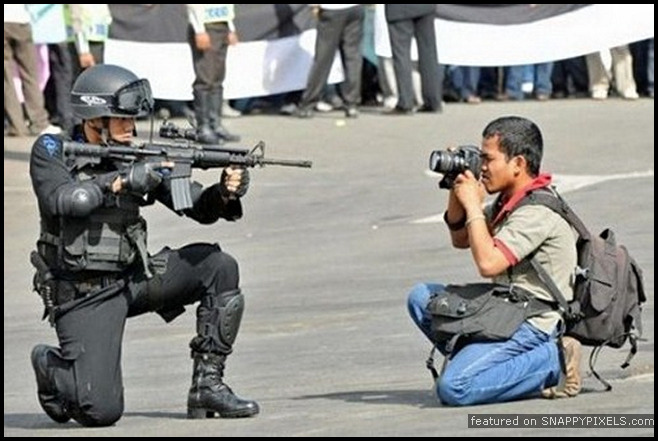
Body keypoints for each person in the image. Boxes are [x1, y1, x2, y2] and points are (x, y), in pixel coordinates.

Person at [29, 64, 258, 427]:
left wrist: (224, 192)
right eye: (121, 119)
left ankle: (207, 386)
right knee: (100, 411)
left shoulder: (135, 154)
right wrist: (120, 182)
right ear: (95, 118)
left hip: (134, 279)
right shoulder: (52, 150)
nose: (130, 128)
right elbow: (67, 200)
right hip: (84, 294)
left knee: (219, 266)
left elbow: (198, 208)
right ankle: (51, 366)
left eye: (132, 120)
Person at [407, 116, 582, 405]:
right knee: (421, 297)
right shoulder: (510, 201)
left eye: (488, 159)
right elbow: (461, 238)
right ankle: (483, 365)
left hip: (533, 321)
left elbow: (488, 264)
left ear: (518, 164)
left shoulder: (536, 212)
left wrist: (474, 204)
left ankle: (553, 359)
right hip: (505, 308)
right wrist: (456, 186)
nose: (483, 167)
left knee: (455, 388)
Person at [294, 4, 365, 119]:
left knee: (323, 58)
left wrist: (314, 6)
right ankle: (352, 103)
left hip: (332, 9)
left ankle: (308, 103)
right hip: (355, 8)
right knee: (352, 57)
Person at [187, 4, 240, 144]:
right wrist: (199, 30)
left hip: (222, 24)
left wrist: (230, 27)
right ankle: (203, 128)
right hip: (206, 26)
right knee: (205, 79)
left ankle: (215, 124)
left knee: (217, 78)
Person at [384, 4, 442, 114]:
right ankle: (433, 100)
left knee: (401, 53)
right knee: (428, 52)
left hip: (399, 9)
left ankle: (405, 102)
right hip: (425, 7)